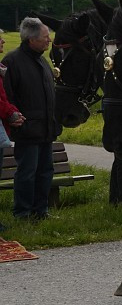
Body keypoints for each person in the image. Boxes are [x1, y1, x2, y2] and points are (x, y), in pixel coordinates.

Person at [1, 18, 62, 219]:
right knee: (27, 173)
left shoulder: (42, 61)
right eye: (45, 37)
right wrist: (15, 119)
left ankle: (41, 210)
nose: (49, 41)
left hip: (46, 129)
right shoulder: (12, 61)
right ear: (31, 40)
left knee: (46, 172)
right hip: (27, 130)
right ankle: (23, 212)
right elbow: (7, 96)